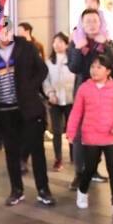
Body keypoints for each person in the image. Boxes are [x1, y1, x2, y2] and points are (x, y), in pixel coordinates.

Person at [0, 19, 55, 207]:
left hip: (29, 109)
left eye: (8, 30)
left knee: (37, 151)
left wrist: (29, 88)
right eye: (0, 31)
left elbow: (42, 70)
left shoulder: (25, 46)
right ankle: (16, 190)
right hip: (5, 112)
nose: (5, 35)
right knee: (11, 153)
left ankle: (43, 190)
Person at [68, 53, 113, 219]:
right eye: (92, 67)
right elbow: (76, 112)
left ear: (108, 71)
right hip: (91, 135)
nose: (94, 70)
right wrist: (71, 132)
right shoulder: (84, 88)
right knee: (90, 168)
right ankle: (82, 190)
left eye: (99, 67)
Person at [66, 7, 113, 187]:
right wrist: (79, 49)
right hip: (84, 93)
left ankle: (93, 169)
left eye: (95, 21)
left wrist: (105, 45)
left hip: (104, 94)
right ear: (82, 24)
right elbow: (74, 67)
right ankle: (79, 173)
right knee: (82, 135)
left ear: (100, 22)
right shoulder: (76, 41)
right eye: (87, 21)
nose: (91, 24)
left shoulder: (106, 40)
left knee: (100, 132)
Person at [44, 33, 76, 171]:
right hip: (55, 100)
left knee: (71, 130)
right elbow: (45, 81)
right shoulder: (49, 62)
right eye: (55, 42)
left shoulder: (73, 61)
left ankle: (74, 156)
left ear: (67, 44)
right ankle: (58, 158)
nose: (57, 45)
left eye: (60, 42)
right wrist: (50, 94)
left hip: (71, 100)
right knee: (56, 131)